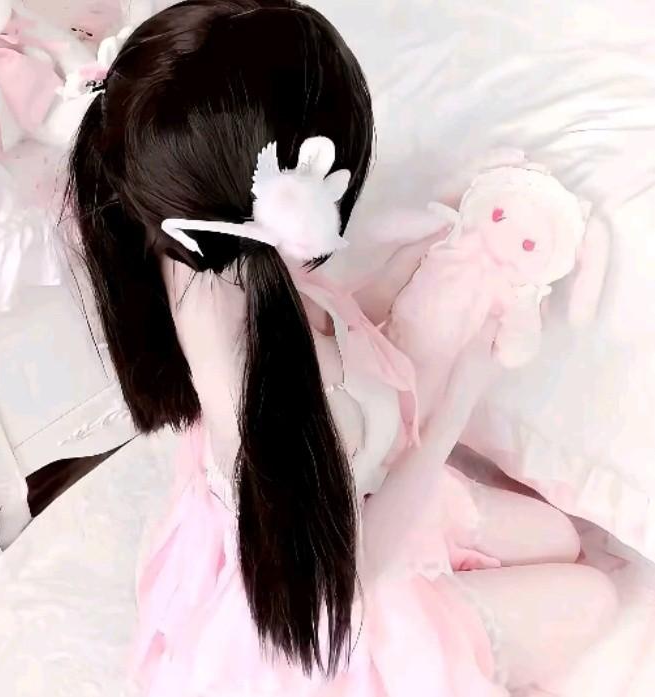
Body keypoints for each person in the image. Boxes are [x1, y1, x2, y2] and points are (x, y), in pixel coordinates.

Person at [67, 1, 617, 694]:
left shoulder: (210, 252)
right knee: (595, 598)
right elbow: (348, 574)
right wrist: (457, 403)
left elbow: (344, 329)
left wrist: (433, 247)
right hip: (329, 583)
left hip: (347, 483)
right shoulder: (256, 381)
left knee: (559, 537)